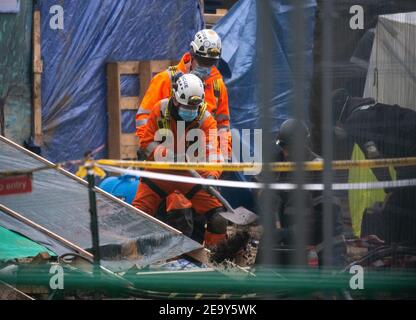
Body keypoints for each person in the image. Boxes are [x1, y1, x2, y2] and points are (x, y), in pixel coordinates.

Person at [132, 74, 228, 247]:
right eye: (186, 106)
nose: (190, 111)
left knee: (219, 219)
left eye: (194, 107)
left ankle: (217, 261)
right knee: (137, 215)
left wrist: (212, 176)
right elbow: (146, 144)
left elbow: (214, 153)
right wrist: (166, 154)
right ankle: (134, 257)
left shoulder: (205, 120)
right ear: (175, 100)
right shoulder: (160, 110)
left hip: (190, 174)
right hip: (159, 173)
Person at [255, 119, 345, 266]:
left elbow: (325, 218)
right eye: (283, 146)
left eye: (290, 147)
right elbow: (258, 182)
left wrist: (289, 233)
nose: (286, 152)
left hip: (323, 247)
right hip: (290, 243)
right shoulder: (278, 162)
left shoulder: (318, 169)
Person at [332, 89, 416, 245]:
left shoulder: (355, 122)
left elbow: (374, 157)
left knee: (399, 211)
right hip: (408, 158)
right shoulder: (373, 109)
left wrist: (389, 189)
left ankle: (401, 255)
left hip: (411, 158)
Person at [136, 29, 232, 161]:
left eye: (210, 63)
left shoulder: (217, 86)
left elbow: (223, 125)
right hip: (164, 160)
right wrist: (152, 151)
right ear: (192, 55)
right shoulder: (166, 80)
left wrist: (221, 158)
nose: (206, 66)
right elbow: (144, 119)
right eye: (202, 61)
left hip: (199, 163)